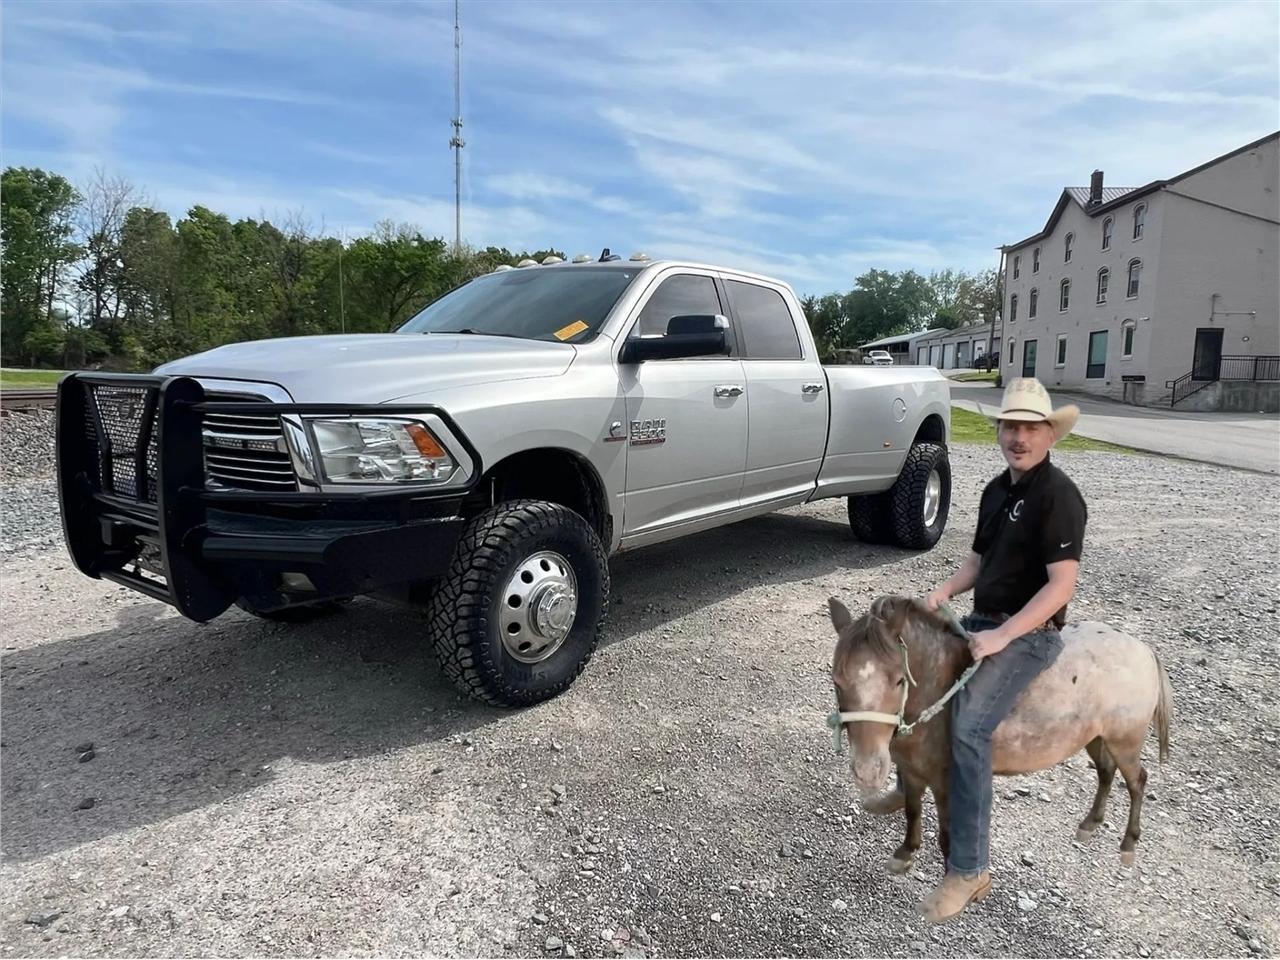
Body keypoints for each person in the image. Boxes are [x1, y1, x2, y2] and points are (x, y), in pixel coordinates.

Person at [865, 377, 1087, 923]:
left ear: (1049, 436)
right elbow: (980, 563)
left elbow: (1061, 586)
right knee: (909, 680)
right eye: (1011, 426)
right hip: (983, 620)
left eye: (1030, 428)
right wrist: (944, 591)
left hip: (1029, 635)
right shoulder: (996, 490)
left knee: (966, 728)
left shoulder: (1059, 497)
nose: (1019, 437)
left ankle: (969, 869)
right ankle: (908, 781)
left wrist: (1005, 636)